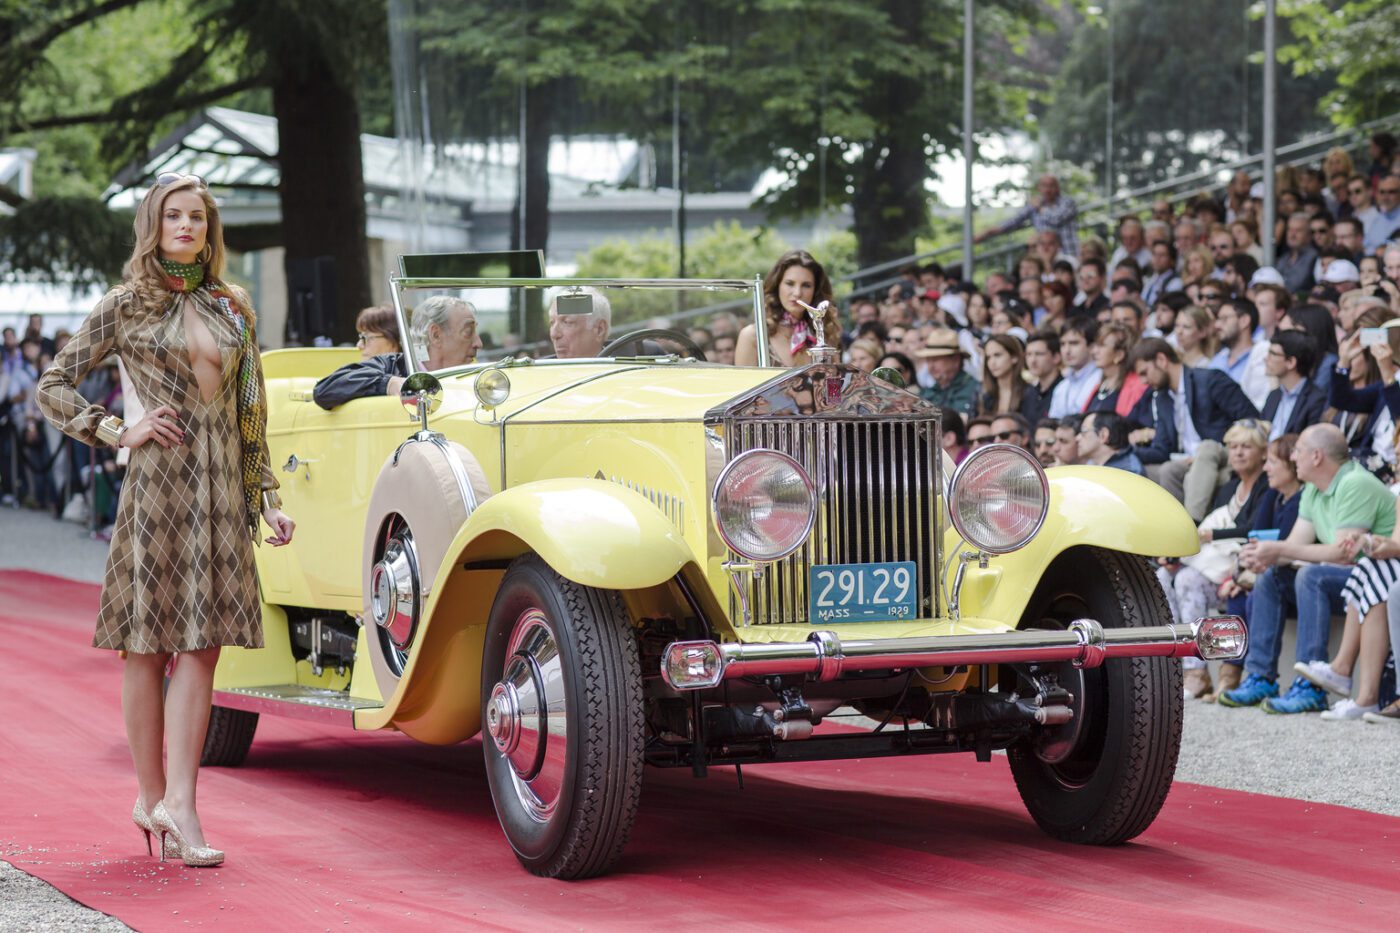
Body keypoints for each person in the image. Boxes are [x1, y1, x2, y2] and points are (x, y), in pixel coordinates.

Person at [34, 173, 295, 867]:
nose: (187, 227)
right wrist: (121, 429)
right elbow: (51, 385)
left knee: (203, 647)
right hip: (159, 487)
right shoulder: (126, 303)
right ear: (153, 225)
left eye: (198, 218)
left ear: (210, 230)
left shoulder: (233, 305)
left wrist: (266, 494)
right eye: (174, 216)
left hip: (221, 494)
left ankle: (183, 801)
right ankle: (153, 796)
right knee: (149, 646)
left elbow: (251, 408)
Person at [1219, 424, 1396, 713]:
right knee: (1271, 577)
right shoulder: (1312, 490)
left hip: (1379, 580)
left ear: (1316, 456)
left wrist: (1279, 551)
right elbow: (1295, 544)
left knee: (1311, 575)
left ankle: (1310, 685)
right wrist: (1265, 558)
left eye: (1297, 451)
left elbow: (1343, 553)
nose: (1293, 458)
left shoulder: (1354, 483)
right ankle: (1260, 676)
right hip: (1354, 581)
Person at [1129, 338, 1260, 522]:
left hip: (1225, 452)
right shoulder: (1161, 398)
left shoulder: (1210, 380)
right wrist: (1125, 450)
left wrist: (1229, 445)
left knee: (1206, 449)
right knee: (1160, 469)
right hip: (1186, 461)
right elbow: (1162, 449)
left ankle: (1192, 525)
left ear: (1161, 360)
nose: (1143, 381)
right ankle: (1168, 529)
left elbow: (1251, 420)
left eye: (1145, 372)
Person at [313, 296, 482, 409]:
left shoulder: (482, 377)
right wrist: (389, 384)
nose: (478, 343)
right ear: (435, 335)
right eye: (468, 332)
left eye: (368, 337)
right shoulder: (391, 366)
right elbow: (324, 389)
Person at [736, 250, 842, 367]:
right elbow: (744, 385)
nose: (797, 293)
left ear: (815, 291)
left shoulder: (825, 334)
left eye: (806, 285)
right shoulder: (753, 336)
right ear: (777, 285)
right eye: (790, 283)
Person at [974, 174, 1079, 254]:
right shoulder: (1034, 205)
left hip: (1068, 252)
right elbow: (1014, 221)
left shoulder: (1067, 202)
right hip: (1046, 256)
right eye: (1044, 186)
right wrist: (988, 231)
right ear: (1039, 188)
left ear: (1057, 188)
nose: (1047, 189)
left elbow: (1057, 218)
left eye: (1051, 186)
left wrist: (1040, 208)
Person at [1261, 330, 1327, 440]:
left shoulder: (1316, 400)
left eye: (1273, 354)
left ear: (1291, 362)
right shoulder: (1274, 396)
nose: (1266, 358)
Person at [1210, 297, 1271, 410]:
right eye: (1217, 319)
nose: (1217, 325)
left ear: (1244, 321)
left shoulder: (1264, 357)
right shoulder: (1217, 360)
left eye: (1224, 319)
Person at [915, 329, 979, 417]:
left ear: (956, 360)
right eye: (928, 360)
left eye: (936, 359)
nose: (931, 366)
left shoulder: (974, 389)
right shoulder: (927, 392)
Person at [1047, 317, 1100, 418]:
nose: (1067, 350)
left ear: (1092, 346)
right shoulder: (1061, 388)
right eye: (1062, 344)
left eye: (1074, 343)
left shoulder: (1102, 379)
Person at [1077, 411, 1143, 474]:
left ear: (1103, 435)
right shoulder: (1091, 463)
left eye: (1084, 431)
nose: (1077, 438)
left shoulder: (1129, 471)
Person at [1019, 331, 1062, 425]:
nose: (1032, 360)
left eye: (1039, 354)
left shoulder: (1064, 391)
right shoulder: (1028, 393)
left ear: (1056, 357)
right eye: (1029, 354)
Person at [978, 334, 1027, 416]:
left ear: (1014, 357)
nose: (992, 363)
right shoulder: (982, 393)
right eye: (988, 358)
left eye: (997, 355)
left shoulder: (1028, 393)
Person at [1276, 213, 1319, 295]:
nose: (1292, 235)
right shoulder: (1284, 257)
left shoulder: (1314, 257)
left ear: (1309, 235)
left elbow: (1295, 286)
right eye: (1290, 230)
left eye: (1298, 230)